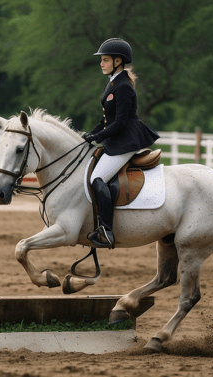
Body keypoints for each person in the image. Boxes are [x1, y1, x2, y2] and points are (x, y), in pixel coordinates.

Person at [82, 38, 160, 248]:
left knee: (97, 178)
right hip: (118, 138)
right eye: (102, 60)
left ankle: (106, 231)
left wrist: (98, 138)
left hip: (126, 140)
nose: (101, 63)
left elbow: (120, 123)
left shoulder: (124, 86)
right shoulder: (114, 82)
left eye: (105, 60)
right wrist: (90, 135)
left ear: (118, 61)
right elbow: (105, 121)